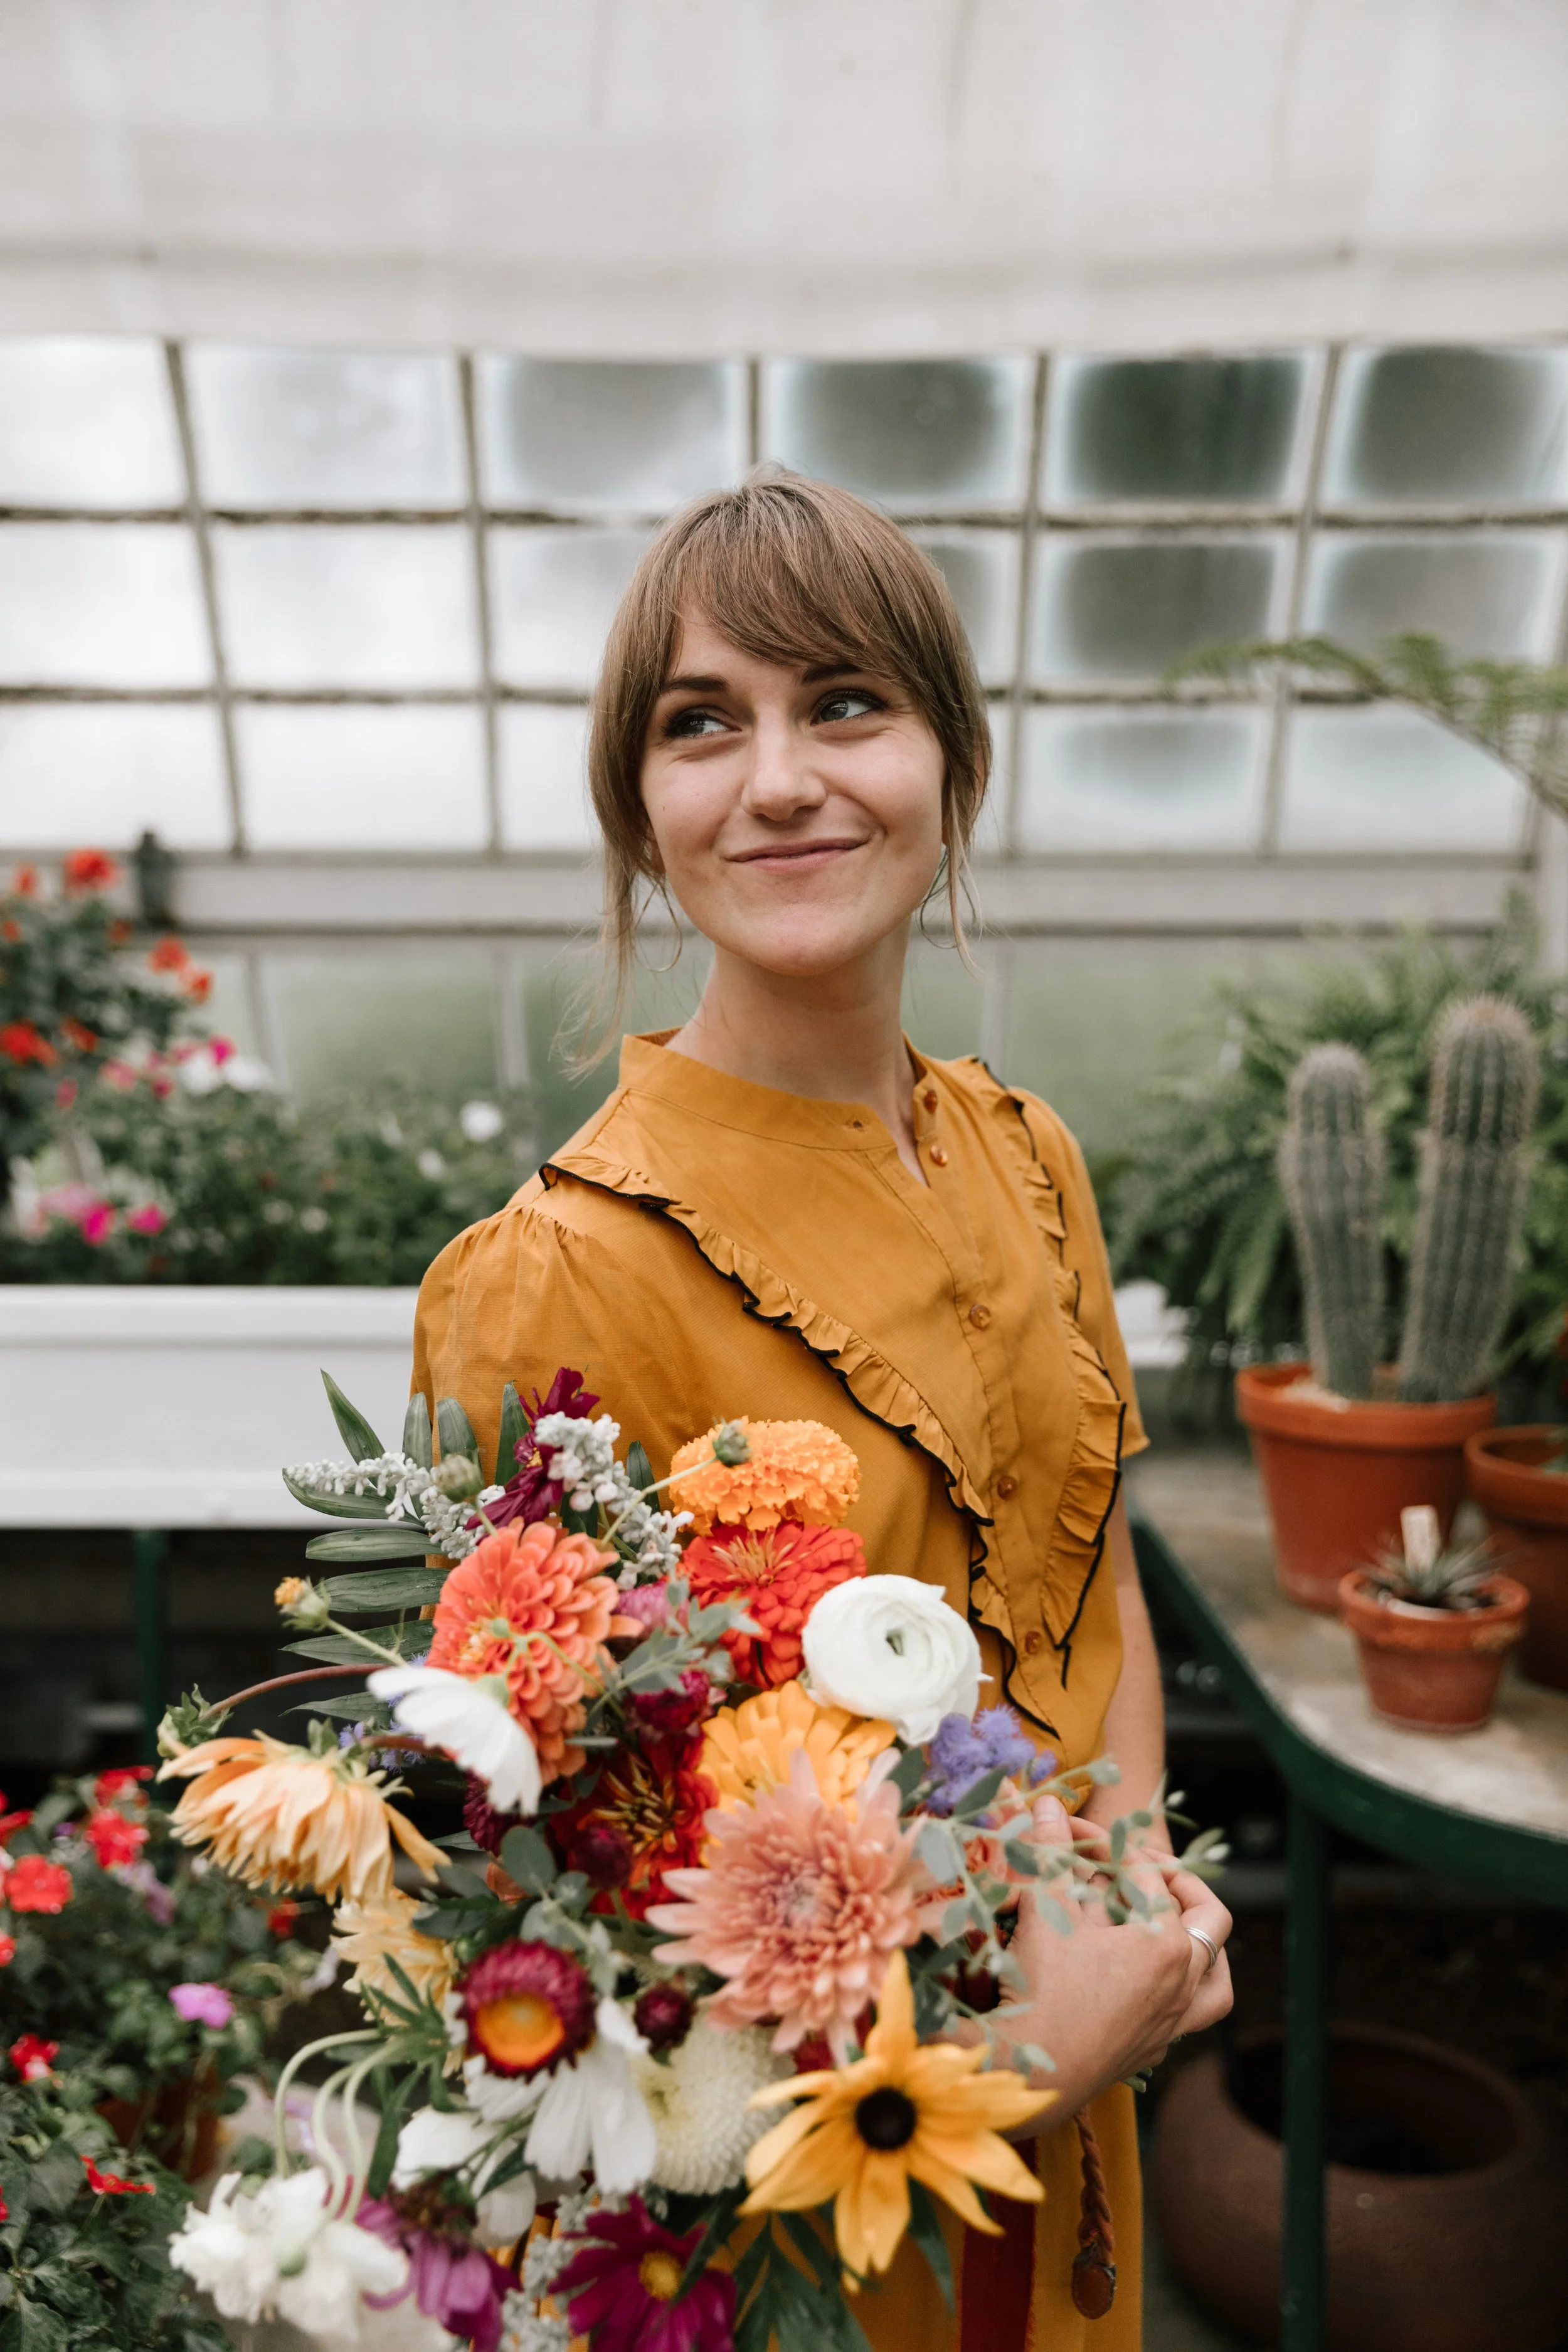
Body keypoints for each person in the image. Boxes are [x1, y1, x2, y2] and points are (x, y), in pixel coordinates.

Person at [412, 472, 1233, 2350]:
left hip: (1079, 2101)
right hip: (797, 2226)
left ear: (952, 760)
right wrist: (997, 2052)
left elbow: (1086, 1582)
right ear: (641, 811)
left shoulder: (1029, 1158)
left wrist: (1120, 1895)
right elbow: (537, 1888)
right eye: (702, 723)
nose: (777, 778)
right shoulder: (556, 1276)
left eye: (842, 701)